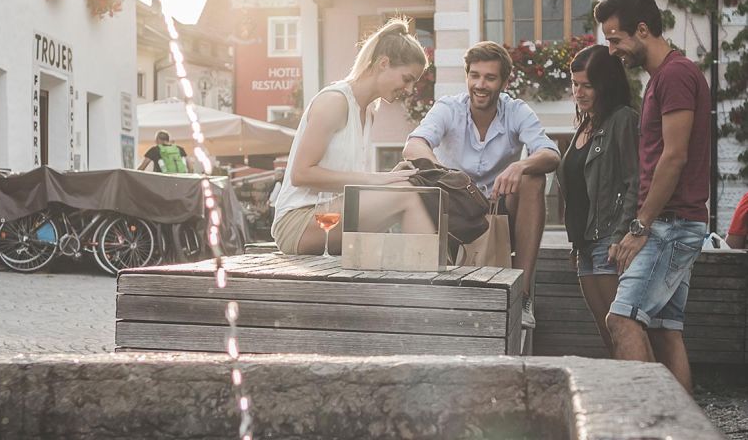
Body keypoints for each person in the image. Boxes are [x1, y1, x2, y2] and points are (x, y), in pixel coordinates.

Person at [597, 0, 710, 392]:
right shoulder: (666, 77)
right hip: (674, 223)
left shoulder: (675, 76)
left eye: (614, 39)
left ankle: (648, 425)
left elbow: (674, 157)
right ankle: (684, 429)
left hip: (671, 224)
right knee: (665, 330)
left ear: (642, 30)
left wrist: (640, 226)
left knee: (622, 319)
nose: (612, 50)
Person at [404, 41, 560, 329]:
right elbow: (414, 145)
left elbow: (550, 154)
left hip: (501, 207)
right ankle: (427, 289)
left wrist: (520, 165)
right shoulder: (448, 108)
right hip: (454, 208)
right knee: (416, 180)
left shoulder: (516, 111)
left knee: (533, 179)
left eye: (489, 77)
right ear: (467, 76)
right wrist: (445, 176)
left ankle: (523, 295)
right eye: (474, 75)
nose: (480, 84)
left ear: (503, 82)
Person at [272, 18, 431, 255]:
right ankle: (433, 285)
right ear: (383, 63)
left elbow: (349, 183)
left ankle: (425, 276)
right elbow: (300, 173)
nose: (408, 90)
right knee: (407, 196)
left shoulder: (369, 112)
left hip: (330, 216)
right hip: (299, 222)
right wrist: (374, 180)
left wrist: (387, 179)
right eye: (407, 79)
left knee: (414, 188)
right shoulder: (335, 102)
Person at [555, 44, 638, 354]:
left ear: (606, 84)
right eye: (575, 84)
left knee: (623, 331)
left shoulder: (622, 119)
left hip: (609, 242)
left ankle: (646, 396)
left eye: (587, 85)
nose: (579, 92)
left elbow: (635, 182)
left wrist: (620, 236)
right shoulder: (585, 125)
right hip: (585, 245)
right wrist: (576, 241)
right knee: (607, 336)